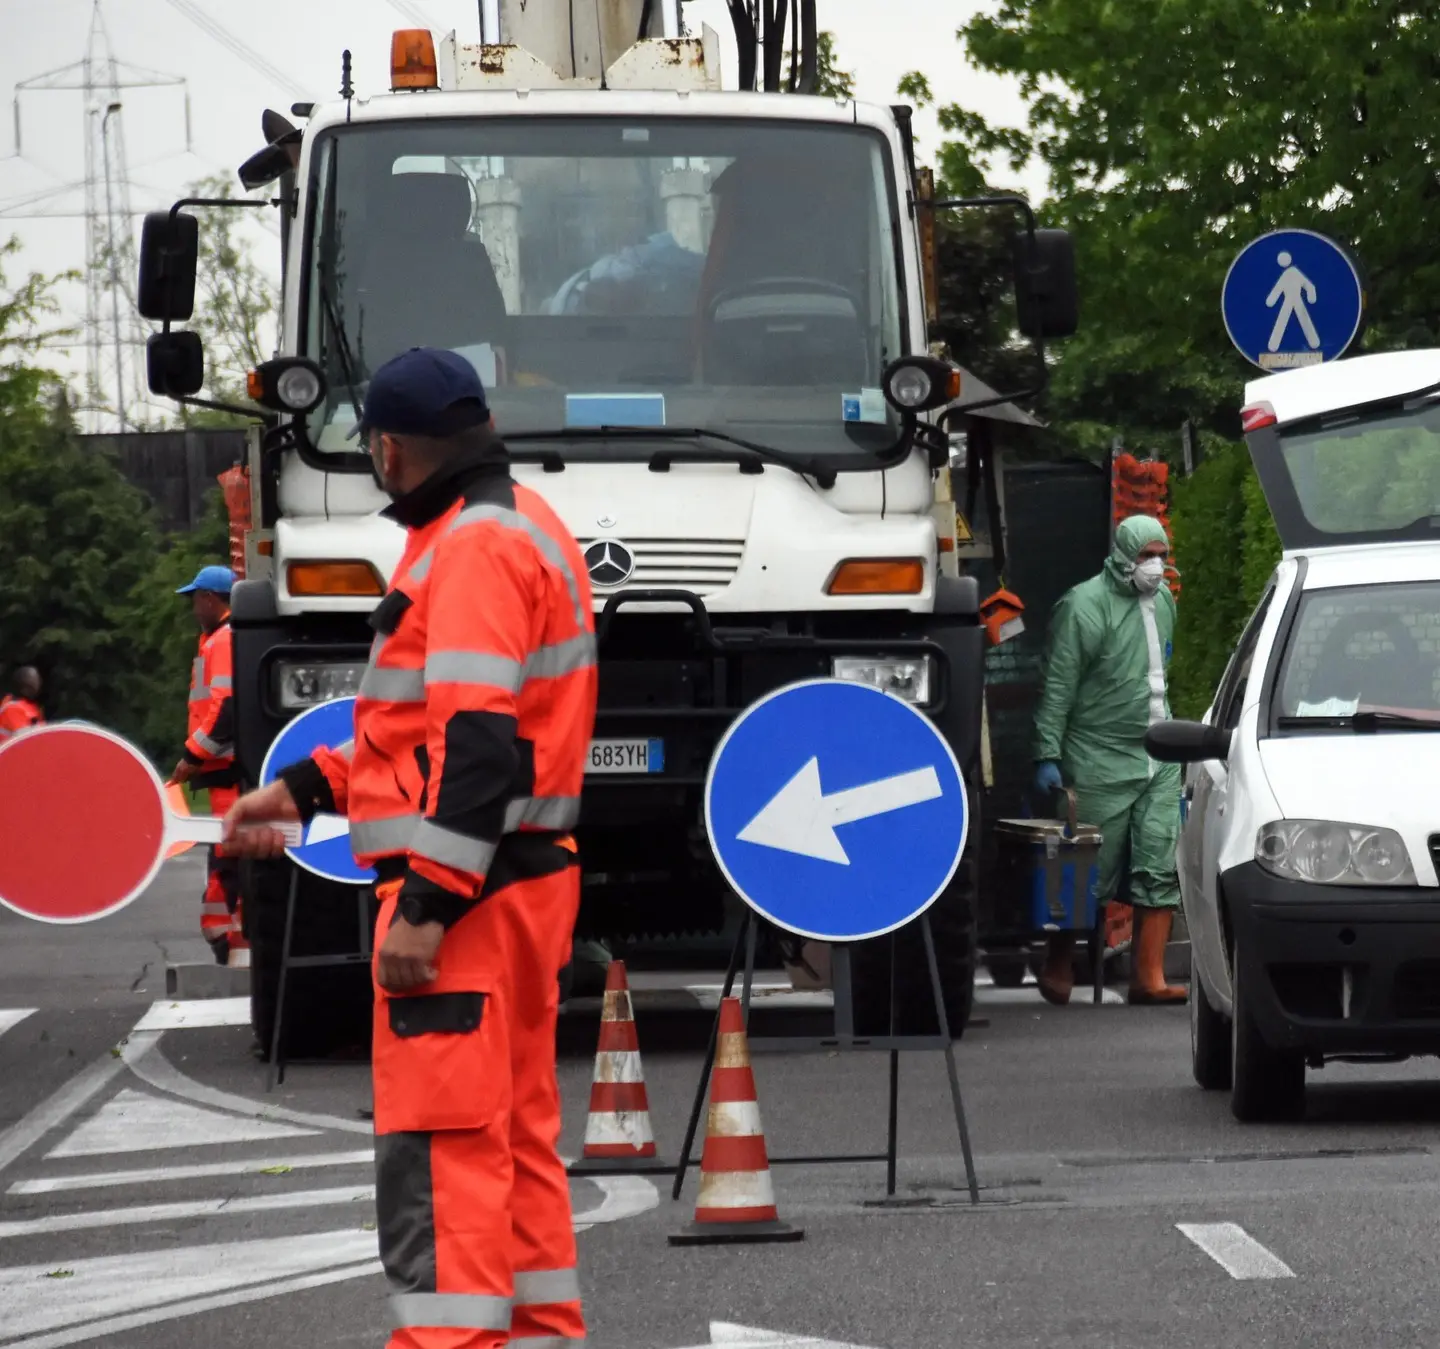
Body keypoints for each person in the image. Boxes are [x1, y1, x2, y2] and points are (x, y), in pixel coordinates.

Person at [221, 347, 596, 1349]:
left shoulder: (467, 550)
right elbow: (429, 735)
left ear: (389, 449)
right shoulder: (530, 527)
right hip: (524, 888)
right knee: (515, 1139)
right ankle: (539, 1334)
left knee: (443, 1153)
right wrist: (302, 790)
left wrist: (427, 906)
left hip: (466, 903)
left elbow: (477, 745)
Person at [1031, 513, 1188, 1007]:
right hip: (1097, 755)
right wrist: (1047, 752)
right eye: (1146, 556)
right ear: (1123, 555)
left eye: (1162, 556)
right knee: (1085, 867)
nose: (1156, 566)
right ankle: (1059, 963)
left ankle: (1149, 976)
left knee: (1158, 861)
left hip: (1157, 754)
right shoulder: (1082, 608)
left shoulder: (1163, 602)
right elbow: (1058, 685)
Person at [171, 564, 247, 966]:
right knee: (228, 855)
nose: (192, 608)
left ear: (209, 598)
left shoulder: (223, 641)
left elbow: (225, 709)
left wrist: (192, 755)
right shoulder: (216, 640)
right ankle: (230, 940)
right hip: (222, 771)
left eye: (194, 599)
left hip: (227, 771)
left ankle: (229, 940)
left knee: (228, 857)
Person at [0, 667, 44, 742]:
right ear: (23, 686)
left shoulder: (30, 706)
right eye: (33, 682)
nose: (38, 684)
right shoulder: (12, 708)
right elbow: (25, 740)